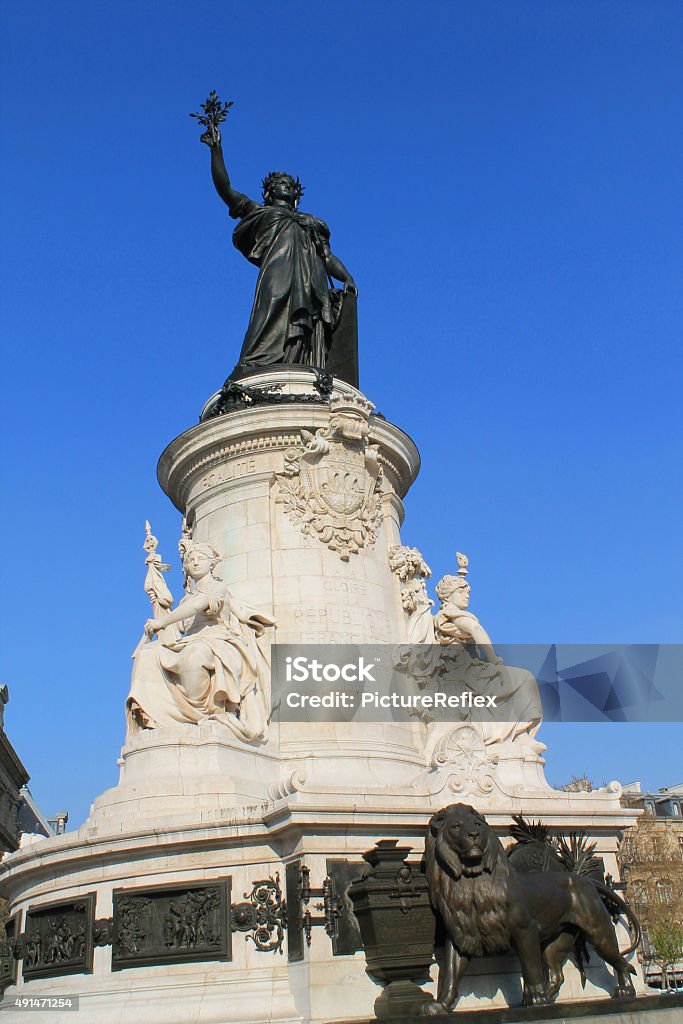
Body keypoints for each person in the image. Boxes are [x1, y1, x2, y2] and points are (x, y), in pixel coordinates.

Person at [203, 129, 356, 372]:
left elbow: (326, 256)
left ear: (296, 195)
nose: (285, 186)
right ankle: (255, 365)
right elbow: (226, 190)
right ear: (268, 192)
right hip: (278, 272)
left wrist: (346, 277)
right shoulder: (261, 213)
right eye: (279, 183)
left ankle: (301, 366)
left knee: (309, 325)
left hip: (311, 279)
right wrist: (216, 150)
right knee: (269, 311)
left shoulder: (311, 222)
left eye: (289, 184)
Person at [126, 542, 275, 742]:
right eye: (191, 560)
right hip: (190, 641)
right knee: (149, 654)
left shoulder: (218, 587)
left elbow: (199, 605)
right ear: (186, 566)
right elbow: (175, 631)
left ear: (212, 564)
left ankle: (204, 713)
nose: (195, 563)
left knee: (195, 655)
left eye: (201, 559)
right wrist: (159, 604)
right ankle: (156, 719)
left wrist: (162, 621)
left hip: (219, 641)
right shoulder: (184, 601)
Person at [433, 573, 545, 752]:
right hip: (463, 671)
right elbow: (475, 629)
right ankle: (520, 734)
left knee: (519, 680)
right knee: (524, 678)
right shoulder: (450, 614)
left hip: (471, 667)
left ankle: (519, 734)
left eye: (468, 590)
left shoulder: (452, 614)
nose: (467, 594)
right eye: (461, 590)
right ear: (448, 594)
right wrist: (494, 659)